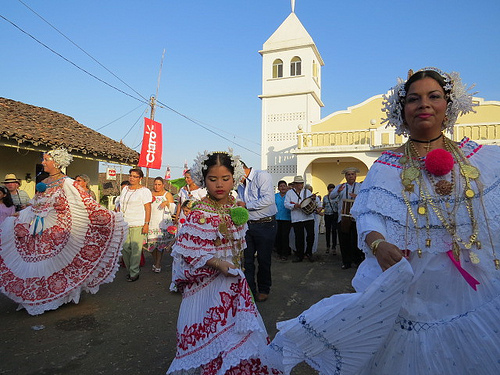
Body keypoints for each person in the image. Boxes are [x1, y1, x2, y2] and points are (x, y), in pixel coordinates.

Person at [271, 68, 500, 374]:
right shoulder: (387, 165)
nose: (424, 104)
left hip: (471, 279)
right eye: (414, 99)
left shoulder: (481, 158)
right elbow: (367, 214)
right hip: (413, 280)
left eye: (434, 96)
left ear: (449, 104)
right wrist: (377, 243)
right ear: (402, 111)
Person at [167, 150, 283, 374]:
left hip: (233, 283)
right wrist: (217, 263)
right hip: (206, 286)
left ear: (234, 178)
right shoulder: (199, 211)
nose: (219, 184)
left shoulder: (236, 207)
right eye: (213, 179)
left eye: (225, 178)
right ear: (204, 180)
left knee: (235, 336)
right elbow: (189, 252)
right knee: (210, 332)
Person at [0, 149, 127, 315]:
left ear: (57, 163)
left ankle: (56, 297)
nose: (43, 162)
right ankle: (37, 297)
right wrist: (22, 214)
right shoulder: (44, 181)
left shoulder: (67, 182)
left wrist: (106, 216)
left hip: (57, 233)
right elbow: (36, 203)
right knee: (37, 265)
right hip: (39, 232)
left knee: (55, 264)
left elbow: (83, 203)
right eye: (44, 160)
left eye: (46, 160)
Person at [236, 161, 277, 303]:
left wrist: (246, 205)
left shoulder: (262, 176)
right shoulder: (239, 184)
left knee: (263, 259)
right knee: (246, 260)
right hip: (247, 226)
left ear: (240, 168)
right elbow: (238, 201)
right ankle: (250, 291)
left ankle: (264, 289)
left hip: (265, 224)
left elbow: (268, 199)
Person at [117, 168, 152, 282]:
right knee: (125, 249)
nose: (132, 178)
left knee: (135, 249)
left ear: (140, 178)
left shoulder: (144, 191)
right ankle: (129, 269)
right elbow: (120, 204)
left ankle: (134, 273)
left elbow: (148, 208)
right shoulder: (125, 189)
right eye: (131, 175)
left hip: (138, 223)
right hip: (124, 223)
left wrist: (146, 224)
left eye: (135, 176)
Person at [330, 167, 364, 269]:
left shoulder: (360, 186)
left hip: (356, 218)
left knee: (356, 240)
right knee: (344, 241)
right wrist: (338, 191)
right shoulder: (340, 186)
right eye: (348, 174)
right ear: (345, 176)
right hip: (343, 217)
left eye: (352, 174)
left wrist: (357, 196)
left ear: (355, 176)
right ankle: (346, 262)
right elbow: (331, 196)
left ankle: (357, 260)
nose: (350, 176)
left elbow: (366, 197)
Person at [145, 177, 176, 273]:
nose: (157, 186)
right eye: (155, 184)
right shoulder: (149, 194)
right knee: (152, 246)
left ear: (163, 185)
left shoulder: (167, 194)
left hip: (162, 223)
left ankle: (158, 263)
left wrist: (167, 203)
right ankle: (155, 261)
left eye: (159, 184)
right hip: (151, 222)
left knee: (160, 246)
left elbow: (173, 209)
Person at [284, 176, 315, 263]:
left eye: (301, 183)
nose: (300, 185)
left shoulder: (307, 191)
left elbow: (312, 202)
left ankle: (309, 253)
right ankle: (299, 255)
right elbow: (286, 204)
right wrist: (294, 206)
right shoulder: (290, 193)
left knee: (311, 235)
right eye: (298, 183)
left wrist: (314, 201)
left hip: (308, 217)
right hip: (297, 218)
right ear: (294, 184)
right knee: (299, 237)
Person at [275, 180, 292, 261]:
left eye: (284, 186)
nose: (282, 187)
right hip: (277, 219)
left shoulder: (289, 196)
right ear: (278, 188)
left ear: (287, 187)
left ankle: (285, 254)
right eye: (281, 186)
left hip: (287, 219)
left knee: (285, 236)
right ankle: (279, 253)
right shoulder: (275, 196)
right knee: (278, 236)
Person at [306, 184, 322, 254]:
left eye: (310, 190)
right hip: (304, 218)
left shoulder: (316, 198)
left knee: (313, 234)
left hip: (313, 218)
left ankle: (312, 250)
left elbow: (319, 207)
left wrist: (318, 210)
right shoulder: (303, 197)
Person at [322, 183, 338, 255]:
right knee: (327, 231)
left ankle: (334, 247)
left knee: (334, 231)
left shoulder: (337, 197)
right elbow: (323, 206)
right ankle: (328, 246)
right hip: (327, 215)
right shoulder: (325, 197)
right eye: (330, 191)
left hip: (334, 215)